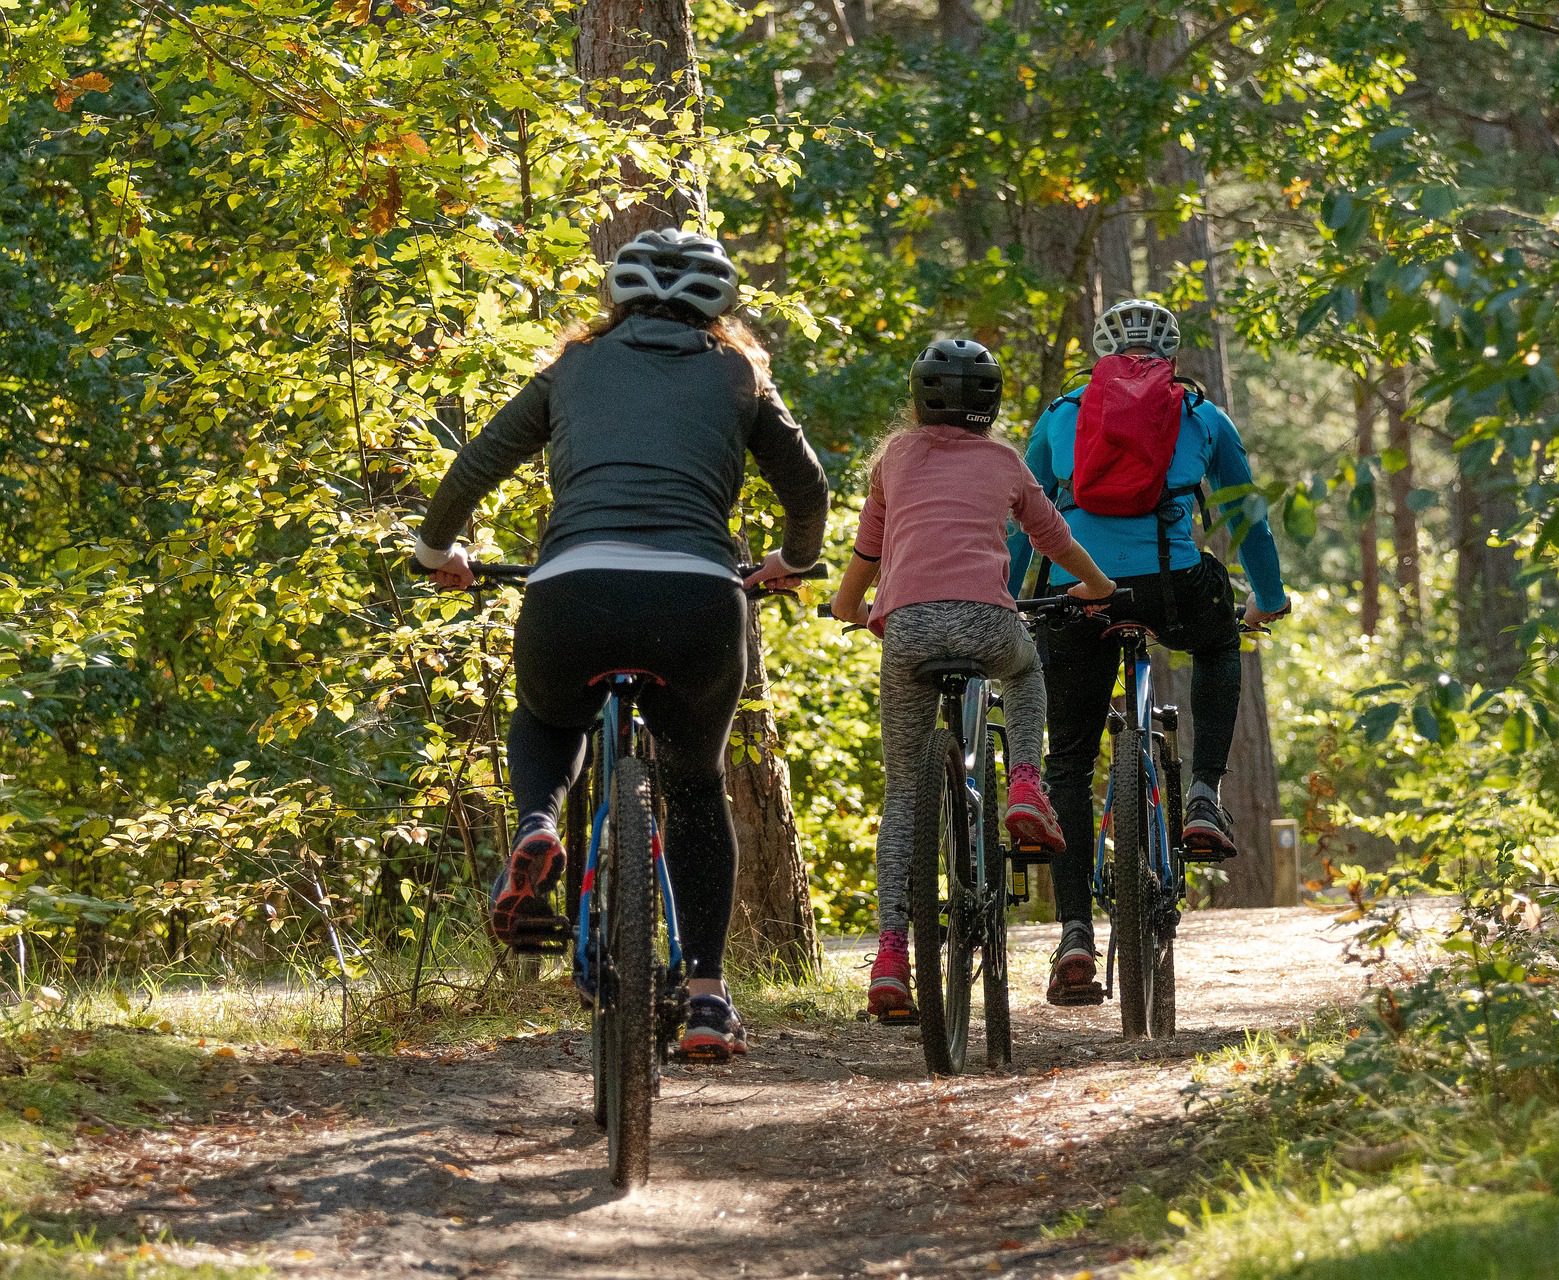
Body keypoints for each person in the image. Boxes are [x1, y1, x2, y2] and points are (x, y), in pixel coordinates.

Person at [415, 228, 829, 1062]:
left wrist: (437, 553)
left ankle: (538, 822)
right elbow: (807, 487)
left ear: (618, 297)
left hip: (575, 586)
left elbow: (474, 467)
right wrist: (795, 560)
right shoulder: (739, 372)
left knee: (547, 716)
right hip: (698, 597)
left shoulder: (571, 367)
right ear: (721, 305)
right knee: (697, 785)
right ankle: (708, 995)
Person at [1007, 298, 1289, 1006]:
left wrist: (1009, 595)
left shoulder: (1062, 414)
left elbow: (1021, 517)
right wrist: (1270, 595)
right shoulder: (1200, 415)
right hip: (1173, 587)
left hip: (1077, 592)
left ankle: (1074, 933)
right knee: (1220, 646)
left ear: (1101, 351)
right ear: (1171, 352)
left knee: (1068, 760)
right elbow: (1246, 515)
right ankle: (1202, 795)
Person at [829, 338, 1116, 1020]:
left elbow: (868, 551)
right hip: (991, 626)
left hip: (908, 632)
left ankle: (892, 956)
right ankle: (1024, 783)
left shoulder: (894, 460)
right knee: (1026, 671)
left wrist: (850, 609)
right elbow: (1053, 539)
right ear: (990, 406)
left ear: (918, 397)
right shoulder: (1006, 463)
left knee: (903, 794)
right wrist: (1098, 587)